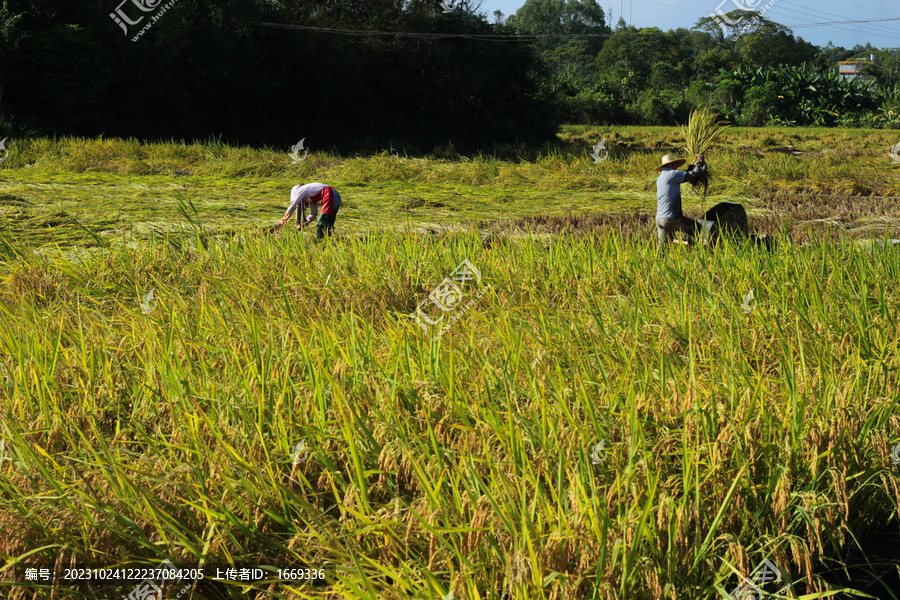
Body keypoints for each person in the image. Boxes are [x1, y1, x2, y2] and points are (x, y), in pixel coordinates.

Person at [655, 154, 707, 250]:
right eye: (675, 163)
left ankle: (656, 263)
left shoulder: (661, 177)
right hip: (671, 217)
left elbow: (686, 175)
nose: (676, 165)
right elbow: (696, 174)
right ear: (671, 164)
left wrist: (691, 168)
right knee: (695, 227)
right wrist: (700, 160)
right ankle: (691, 252)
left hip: (660, 218)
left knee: (663, 245)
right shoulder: (672, 174)